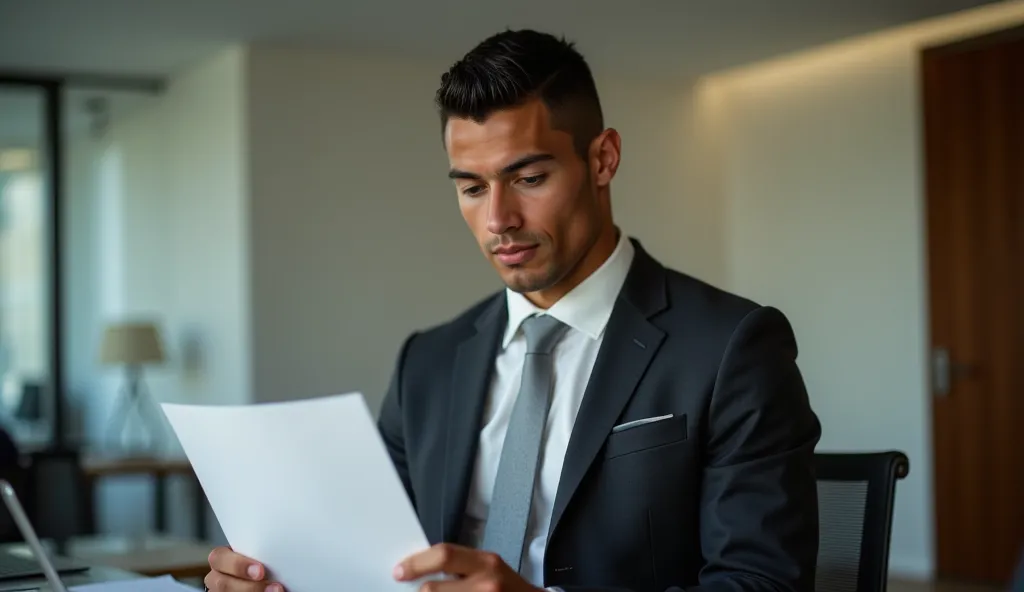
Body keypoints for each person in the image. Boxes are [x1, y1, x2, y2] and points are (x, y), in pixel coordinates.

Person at [204, 28, 821, 592]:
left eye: (528, 178)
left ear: (602, 159)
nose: (498, 220)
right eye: (472, 188)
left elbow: (763, 584)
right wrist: (286, 578)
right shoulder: (428, 361)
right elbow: (376, 562)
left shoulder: (733, 346)